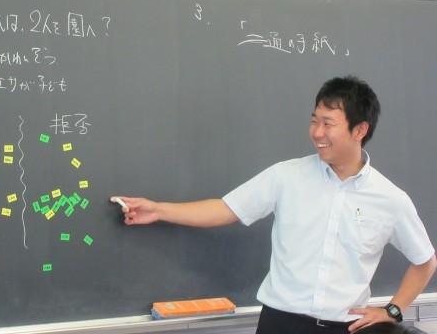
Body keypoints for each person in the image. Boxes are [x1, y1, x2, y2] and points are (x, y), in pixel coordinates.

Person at [113, 76, 436, 334]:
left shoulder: (389, 198)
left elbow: (425, 262)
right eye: (314, 121)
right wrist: (160, 210)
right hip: (280, 323)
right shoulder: (286, 176)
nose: (317, 132)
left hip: (346, 327)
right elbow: (225, 209)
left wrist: (393, 310)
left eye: (328, 124)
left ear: (360, 130)